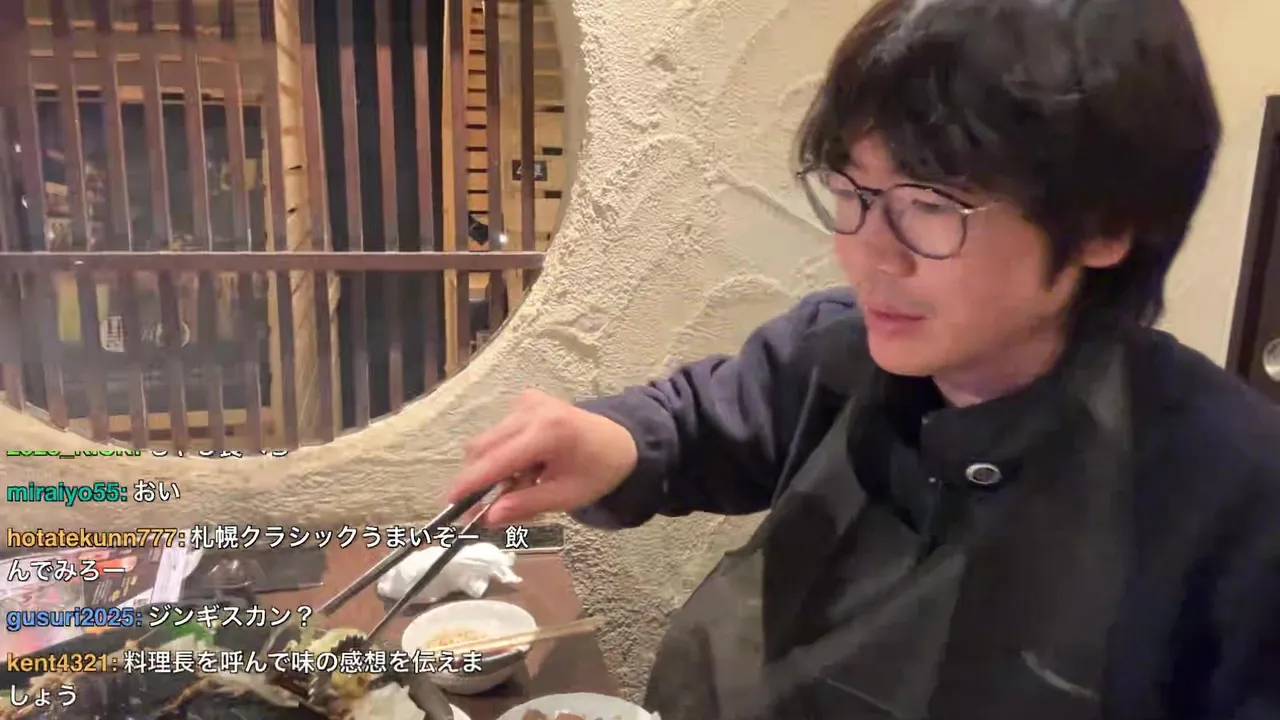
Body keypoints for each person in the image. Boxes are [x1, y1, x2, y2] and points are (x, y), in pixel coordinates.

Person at [447, 0, 1280, 717]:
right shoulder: (841, 349)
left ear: (1107, 224)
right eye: (851, 192)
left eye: (930, 203)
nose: (866, 254)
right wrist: (614, 442)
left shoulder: (1236, 501)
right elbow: (704, 419)